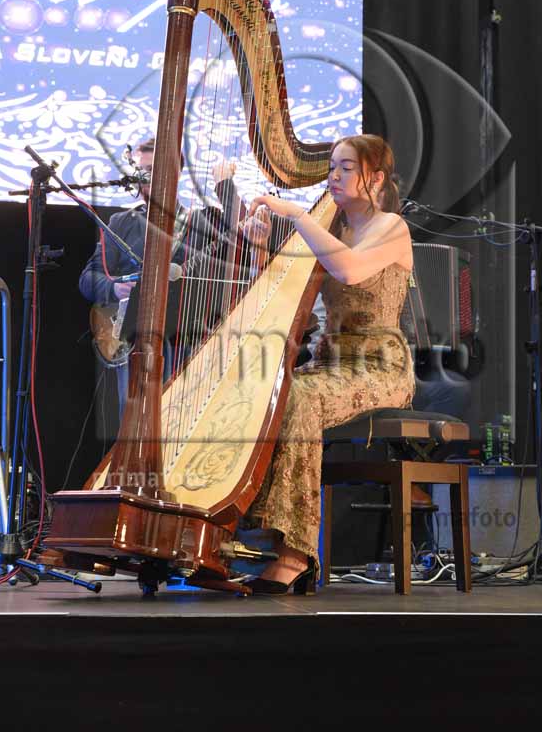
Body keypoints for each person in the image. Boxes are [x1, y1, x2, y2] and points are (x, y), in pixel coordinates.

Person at [243, 134, 415, 594]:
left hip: (380, 365)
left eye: (345, 168)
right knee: (265, 393)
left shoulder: (391, 226)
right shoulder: (330, 228)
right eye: (331, 167)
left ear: (375, 178)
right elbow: (280, 297)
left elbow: (351, 270)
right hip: (330, 361)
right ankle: (248, 539)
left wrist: (298, 216)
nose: (333, 176)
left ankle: (296, 554)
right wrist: (259, 248)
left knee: (299, 397)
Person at [79, 137, 265, 418]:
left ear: (176, 174)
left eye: (154, 171)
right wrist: (117, 288)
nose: (145, 178)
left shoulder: (204, 221)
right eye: (141, 171)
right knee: (136, 423)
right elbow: (87, 279)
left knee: (182, 417)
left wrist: (224, 186)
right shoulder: (121, 223)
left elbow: (240, 229)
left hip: (189, 342)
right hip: (134, 342)